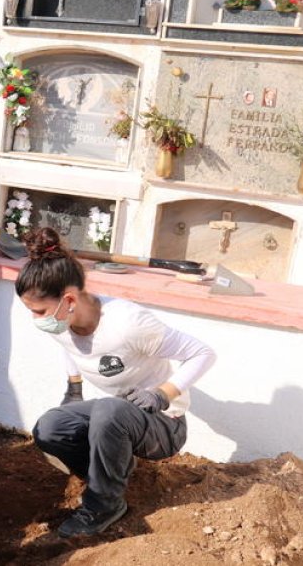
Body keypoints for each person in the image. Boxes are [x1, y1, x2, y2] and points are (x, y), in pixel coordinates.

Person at [16, 227, 216, 538]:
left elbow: (203, 353)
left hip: (163, 423)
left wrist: (162, 394)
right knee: (51, 427)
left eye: (39, 312)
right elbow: (71, 349)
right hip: (119, 414)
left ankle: (104, 505)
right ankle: (108, 478)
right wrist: (74, 389)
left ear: (68, 299)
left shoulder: (127, 323)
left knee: (110, 412)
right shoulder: (64, 324)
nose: (36, 320)